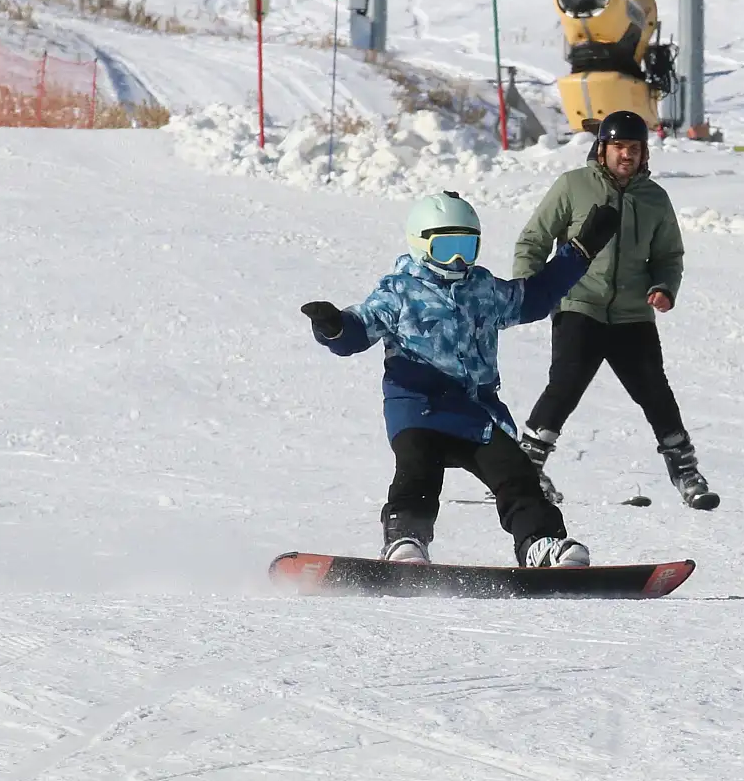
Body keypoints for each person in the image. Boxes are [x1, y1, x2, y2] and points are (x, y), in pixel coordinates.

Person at [300, 190, 620, 568]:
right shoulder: (399, 292)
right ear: (421, 245)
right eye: (446, 247)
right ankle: (405, 540)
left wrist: (581, 250)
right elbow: (359, 328)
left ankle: (540, 542)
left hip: (475, 412)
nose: (457, 260)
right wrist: (335, 327)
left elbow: (535, 298)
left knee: (516, 473)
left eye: (467, 248)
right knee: (417, 469)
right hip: (419, 407)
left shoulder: (482, 288)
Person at [512, 110, 717, 509]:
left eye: (635, 148)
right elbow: (534, 240)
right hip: (578, 302)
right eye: (619, 146)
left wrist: (664, 287)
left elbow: (669, 255)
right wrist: (528, 290)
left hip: (632, 313)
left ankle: (686, 471)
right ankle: (525, 471)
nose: (627, 155)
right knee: (566, 384)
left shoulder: (655, 199)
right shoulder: (573, 186)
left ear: (644, 154)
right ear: (602, 148)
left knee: (654, 391)